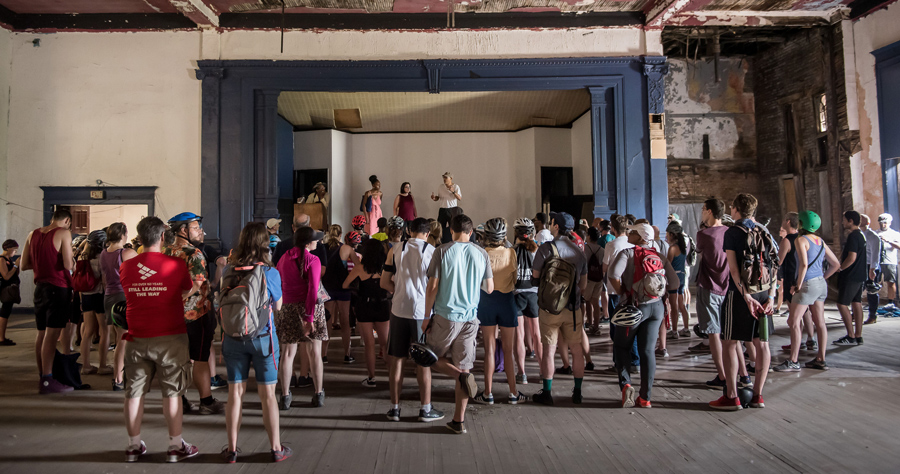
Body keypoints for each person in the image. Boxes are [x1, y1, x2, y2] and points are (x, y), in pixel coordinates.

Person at [120, 216, 198, 463]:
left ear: (140, 238)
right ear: (163, 237)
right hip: (170, 337)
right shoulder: (175, 265)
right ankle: (175, 446)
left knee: (134, 394)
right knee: (172, 393)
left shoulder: (126, 267)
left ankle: (133, 446)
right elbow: (184, 291)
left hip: (136, 337)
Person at [219, 222, 291, 463]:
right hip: (263, 339)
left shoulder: (229, 270)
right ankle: (276, 448)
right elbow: (278, 306)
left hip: (232, 338)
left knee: (234, 394)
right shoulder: (270, 273)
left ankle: (231, 449)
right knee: (268, 396)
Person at [423, 214, 493, 434]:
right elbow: (489, 288)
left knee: (427, 358)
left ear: (450, 230)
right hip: (471, 318)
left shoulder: (442, 251)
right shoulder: (481, 253)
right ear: (471, 232)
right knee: (465, 366)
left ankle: (458, 376)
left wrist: (426, 316)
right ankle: (458, 421)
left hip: (446, 316)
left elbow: (432, 287)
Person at [709, 193, 775, 411]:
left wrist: (745, 295)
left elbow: (734, 270)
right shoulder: (763, 231)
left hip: (739, 295)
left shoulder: (732, 233)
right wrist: (771, 297)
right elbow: (774, 266)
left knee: (729, 341)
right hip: (764, 293)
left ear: (735, 209)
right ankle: (758, 396)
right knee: (762, 343)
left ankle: (731, 396)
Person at [608, 223, 680, 408]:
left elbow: (613, 275)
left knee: (622, 346)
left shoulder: (627, 253)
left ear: (640, 237)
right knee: (647, 351)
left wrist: (624, 292)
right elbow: (675, 283)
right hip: (655, 309)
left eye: (632, 232)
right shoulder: (660, 256)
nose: (629, 234)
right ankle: (645, 397)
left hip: (632, 308)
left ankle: (626, 386)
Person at [381, 217, 443, 422]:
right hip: (421, 313)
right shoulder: (432, 252)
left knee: (397, 360)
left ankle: (394, 408)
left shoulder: (395, 249)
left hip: (398, 309)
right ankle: (425, 409)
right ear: (427, 234)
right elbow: (434, 286)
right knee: (422, 362)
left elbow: (384, 282)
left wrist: (397, 291)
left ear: (409, 231)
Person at [163, 212, 223, 415]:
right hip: (197, 315)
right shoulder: (193, 253)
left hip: (171, 318)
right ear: (183, 230)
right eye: (196, 227)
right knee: (200, 358)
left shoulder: (166, 252)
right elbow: (197, 283)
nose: (201, 231)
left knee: (177, 360)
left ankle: (180, 400)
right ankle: (206, 401)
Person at [530, 212, 588, 406]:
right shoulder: (578, 251)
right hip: (573, 309)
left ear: (555, 226)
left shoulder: (546, 249)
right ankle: (578, 392)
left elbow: (535, 278)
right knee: (576, 350)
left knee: (549, 350)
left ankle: (547, 393)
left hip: (549, 308)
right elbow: (584, 284)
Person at [773, 211, 839, 372]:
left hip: (807, 284)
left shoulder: (801, 240)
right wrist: (823, 277)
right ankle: (821, 359)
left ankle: (793, 360)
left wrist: (797, 284)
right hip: (820, 284)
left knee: (793, 322)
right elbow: (836, 264)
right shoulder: (820, 241)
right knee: (820, 322)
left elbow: (803, 264)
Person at [18, 209, 75, 394]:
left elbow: (23, 264)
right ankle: (48, 380)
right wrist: (74, 261)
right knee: (52, 335)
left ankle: (43, 376)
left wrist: (44, 263)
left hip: (40, 288)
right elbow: (67, 264)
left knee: (41, 333)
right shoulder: (64, 233)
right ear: (67, 220)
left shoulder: (32, 234)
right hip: (58, 288)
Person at [472, 218, 527, 405]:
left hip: (486, 302)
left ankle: (487, 393)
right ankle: (513, 392)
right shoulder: (511, 252)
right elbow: (515, 277)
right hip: (506, 302)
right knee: (508, 350)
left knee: (489, 350)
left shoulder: (480, 253)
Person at [276, 226, 328, 408]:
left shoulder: (284, 258)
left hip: (288, 307)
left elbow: (278, 280)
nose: (318, 241)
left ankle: (284, 395)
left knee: (288, 353)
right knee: (314, 352)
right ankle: (318, 393)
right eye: (316, 239)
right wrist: (309, 317)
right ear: (308, 242)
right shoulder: (313, 260)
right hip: (310, 309)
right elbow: (313, 289)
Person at [343, 238, 391, 387]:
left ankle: (372, 378)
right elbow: (391, 288)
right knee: (385, 344)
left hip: (364, 305)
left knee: (369, 344)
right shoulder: (385, 268)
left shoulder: (360, 268)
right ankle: (392, 377)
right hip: (383, 305)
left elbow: (345, 285)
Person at [101, 222, 138, 391]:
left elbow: (103, 278)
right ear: (124, 234)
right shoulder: (127, 253)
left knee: (119, 339)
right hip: (124, 295)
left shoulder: (103, 253)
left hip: (109, 295)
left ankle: (118, 376)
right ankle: (121, 377)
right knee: (126, 340)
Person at [602, 214, 639, 374]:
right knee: (632, 325)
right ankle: (635, 360)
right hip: (632, 289)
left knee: (616, 328)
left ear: (613, 228)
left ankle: (619, 363)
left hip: (614, 290)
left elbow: (605, 268)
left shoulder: (611, 245)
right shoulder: (631, 242)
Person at [322, 224, 359, 367]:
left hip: (328, 288)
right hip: (343, 288)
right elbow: (358, 266)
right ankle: (347, 353)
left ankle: (324, 355)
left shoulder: (323, 248)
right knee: (345, 322)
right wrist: (350, 281)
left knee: (327, 322)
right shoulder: (347, 248)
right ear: (341, 235)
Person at [78, 230, 112, 375]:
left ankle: (86, 365)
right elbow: (104, 281)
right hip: (100, 295)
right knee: (105, 331)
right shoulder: (103, 257)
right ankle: (103, 365)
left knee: (87, 331)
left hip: (86, 296)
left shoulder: (82, 257)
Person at [833, 211, 868, 346]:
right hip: (860, 275)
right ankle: (858, 335)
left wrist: (841, 268)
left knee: (842, 304)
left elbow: (852, 257)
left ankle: (851, 335)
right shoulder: (861, 235)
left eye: (844, 220)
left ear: (851, 221)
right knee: (856, 303)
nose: (843, 222)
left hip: (851, 275)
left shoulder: (853, 236)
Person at [513, 218, 542, 365]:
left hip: (517, 294)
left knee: (519, 335)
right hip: (533, 293)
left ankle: (521, 372)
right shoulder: (537, 250)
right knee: (537, 333)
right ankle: (544, 370)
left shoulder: (511, 251)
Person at [665, 223, 691, 342]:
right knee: (682, 304)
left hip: (673, 278)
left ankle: (674, 331)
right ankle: (686, 328)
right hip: (682, 276)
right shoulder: (682, 247)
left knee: (673, 305)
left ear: (671, 234)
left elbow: (667, 264)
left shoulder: (673, 248)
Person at [874, 213, 900, 315]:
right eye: (881, 223)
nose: (883, 225)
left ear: (889, 223)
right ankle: (874, 301)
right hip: (877, 261)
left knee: (891, 282)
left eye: (885, 223)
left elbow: (898, 246)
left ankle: (891, 302)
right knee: (875, 282)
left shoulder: (894, 234)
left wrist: (888, 241)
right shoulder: (875, 233)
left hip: (890, 261)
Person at [859, 214, 882, 325]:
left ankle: (872, 315)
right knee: (857, 290)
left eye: (861, 219)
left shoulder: (873, 236)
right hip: (862, 265)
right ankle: (856, 314)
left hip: (870, 266)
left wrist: (872, 269)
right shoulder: (859, 234)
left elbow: (875, 254)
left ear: (867, 222)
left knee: (871, 291)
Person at [583, 227, 605, 336]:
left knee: (586, 300)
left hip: (589, 278)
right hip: (599, 278)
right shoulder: (601, 250)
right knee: (595, 302)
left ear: (589, 236)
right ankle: (596, 326)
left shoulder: (585, 248)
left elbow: (584, 264)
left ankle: (589, 323)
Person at [431, 172, 462, 244]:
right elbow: (438, 198)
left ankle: (453, 242)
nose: (444, 179)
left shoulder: (456, 186)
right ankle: (439, 243)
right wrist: (434, 198)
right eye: (443, 177)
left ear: (451, 178)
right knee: (440, 227)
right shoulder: (441, 186)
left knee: (453, 227)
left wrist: (453, 191)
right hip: (442, 209)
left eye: (446, 178)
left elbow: (459, 198)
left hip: (452, 209)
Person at [1, 239, 21, 345]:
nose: (15, 252)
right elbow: (6, 276)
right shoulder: (2, 259)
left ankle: (2, 336)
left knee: (7, 311)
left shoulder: (9, 259)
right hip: (6, 289)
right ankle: (1, 337)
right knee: (4, 312)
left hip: (12, 288)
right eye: (14, 249)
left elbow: (14, 275)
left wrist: (17, 267)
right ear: (7, 248)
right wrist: (15, 266)